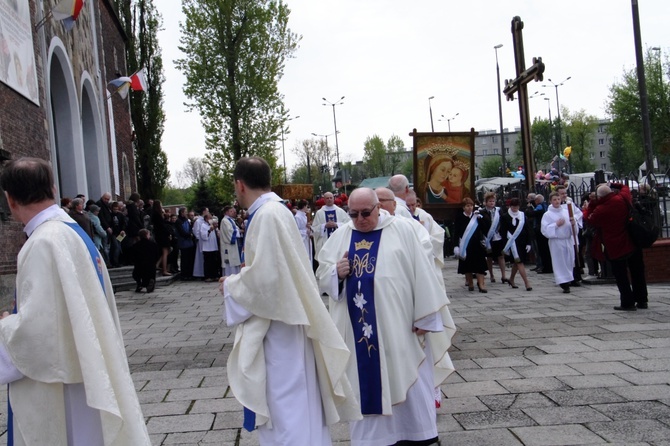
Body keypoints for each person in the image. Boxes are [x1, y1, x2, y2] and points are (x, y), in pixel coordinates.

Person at [0, 157, 151, 445]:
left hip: (64, 388)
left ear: (10, 200)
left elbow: (39, 333)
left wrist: (7, 327)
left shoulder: (43, 242)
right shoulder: (71, 232)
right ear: (54, 189)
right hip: (86, 367)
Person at [220, 157, 359, 444]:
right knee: (297, 402)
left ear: (239, 184)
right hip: (288, 317)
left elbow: (267, 278)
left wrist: (232, 285)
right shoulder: (276, 210)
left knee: (285, 405)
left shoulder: (268, 215)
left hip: (279, 328)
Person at [316, 187, 455, 446]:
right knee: (365, 386)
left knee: (409, 379)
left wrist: (425, 317)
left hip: (401, 329)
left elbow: (424, 273)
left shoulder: (404, 230)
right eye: (353, 214)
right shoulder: (341, 236)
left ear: (378, 208)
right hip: (359, 338)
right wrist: (336, 272)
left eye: (365, 213)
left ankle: (416, 435)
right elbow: (322, 276)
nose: (359, 219)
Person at [586, 183, 648, 311]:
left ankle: (627, 302)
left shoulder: (601, 209)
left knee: (621, 276)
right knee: (637, 272)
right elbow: (624, 187)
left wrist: (591, 204)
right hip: (633, 240)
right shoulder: (623, 197)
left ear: (599, 197)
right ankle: (642, 300)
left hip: (615, 245)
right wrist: (610, 183)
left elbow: (589, 219)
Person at [541, 192, 575, 293]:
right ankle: (563, 281)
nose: (557, 201)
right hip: (557, 240)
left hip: (567, 239)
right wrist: (556, 225)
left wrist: (573, 223)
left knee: (569, 260)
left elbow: (572, 224)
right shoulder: (547, 214)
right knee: (560, 261)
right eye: (554, 200)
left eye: (558, 199)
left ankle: (568, 279)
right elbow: (544, 229)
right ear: (550, 201)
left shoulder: (566, 211)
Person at [454, 197, 488, 292]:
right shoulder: (460, 217)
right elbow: (456, 232)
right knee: (467, 265)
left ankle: (481, 284)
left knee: (480, 265)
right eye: (467, 206)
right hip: (466, 245)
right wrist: (456, 246)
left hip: (477, 244)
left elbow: (485, 229)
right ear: (463, 207)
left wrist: (481, 219)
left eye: (471, 206)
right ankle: (471, 283)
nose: (470, 208)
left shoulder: (476, 216)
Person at [500, 198, 533, 291]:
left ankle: (511, 279)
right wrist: (505, 246)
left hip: (522, 242)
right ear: (510, 206)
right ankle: (527, 283)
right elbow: (503, 232)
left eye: (517, 207)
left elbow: (528, 229)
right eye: (513, 207)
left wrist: (529, 243)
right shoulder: (505, 216)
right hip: (512, 243)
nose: (515, 209)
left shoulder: (522, 215)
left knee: (517, 262)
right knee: (519, 262)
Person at [311, 191, 350, 258]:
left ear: (333, 199)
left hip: (338, 241)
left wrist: (337, 224)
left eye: (331, 198)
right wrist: (324, 226)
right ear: (324, 200)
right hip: (325, 241)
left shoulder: (340, 211)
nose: (329, 199)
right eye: (327, 198)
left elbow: (348, 224)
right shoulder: (319, 213)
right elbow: (314, 228)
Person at [481, 192, 508, 284]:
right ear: (485, 202)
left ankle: (503, 275)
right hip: (488, 237)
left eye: (493, 201)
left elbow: (503, 222)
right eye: (490, 201)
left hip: (498, 236)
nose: (492, 203)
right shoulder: (482, 212)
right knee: (489, 257)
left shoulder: (498, 210)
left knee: (501, 256)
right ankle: (491, 275)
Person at [132, 228, 161, 293]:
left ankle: (139, 284)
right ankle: (150, 283)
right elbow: (157, 255)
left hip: (139, 266)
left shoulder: (135, 245)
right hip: (150, 266)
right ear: (147, 235)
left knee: (136, 274)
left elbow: (132, 256)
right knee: (151, 274)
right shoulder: (153, 244)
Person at [219, 205, 243, 276]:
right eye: (231, 211)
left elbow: (235, 229)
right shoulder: (225, 221)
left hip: (234, 246)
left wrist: (239, 230)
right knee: (230, 263)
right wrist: (239, 231)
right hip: (228, 246)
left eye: (234, 211)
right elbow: (230, 232)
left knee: (234, 261)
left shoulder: (231, 220)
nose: (234, 212)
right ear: (226, 212)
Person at [200, 214, 220, 282]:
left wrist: (215, 228)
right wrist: (209, 230)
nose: (211, 219)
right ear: (206, 219)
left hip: (213, 246)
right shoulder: (203, 225)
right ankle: (208, 276)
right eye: (210, 218)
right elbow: (203, 236)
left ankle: (215, 275)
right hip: (207, 247)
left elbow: (217, 233)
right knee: (208, 262)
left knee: (214, 261)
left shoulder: (213, 225)